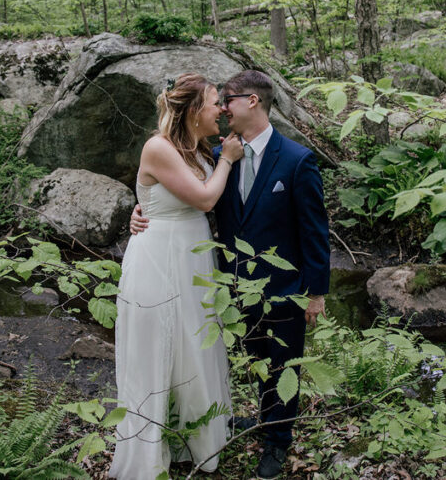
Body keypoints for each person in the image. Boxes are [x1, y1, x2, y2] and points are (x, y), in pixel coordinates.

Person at [131, 70, 331, 480]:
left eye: (228, 100)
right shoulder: (218, 154)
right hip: (233, 284)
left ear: (252, 101)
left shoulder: (297, 159)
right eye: (217, 101)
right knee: (254, 358)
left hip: (284, 287)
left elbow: (315, 231)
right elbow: (174, 192)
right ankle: (257, 420)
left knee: (282, 365)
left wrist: (315, 292)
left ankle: (276, 443)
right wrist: (140, 212)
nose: (222, 108)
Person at [109, 73, 244, 480]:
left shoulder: (196, 147)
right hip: (159, 259)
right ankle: (150, 456)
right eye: (214, 102)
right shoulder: (159, 147)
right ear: (192, 110)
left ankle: (196, 441)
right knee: (159, 347)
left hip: (192, 259)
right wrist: (226, 160)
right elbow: (204, 198)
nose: (221, 109)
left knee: (194, 342)